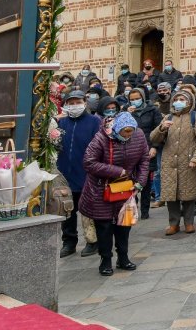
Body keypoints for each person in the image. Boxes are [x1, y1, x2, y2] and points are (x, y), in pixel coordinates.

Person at [78, 112, 149, 276]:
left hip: (127, 188)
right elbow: (89, 162)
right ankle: (105, 260)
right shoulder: (101, 137)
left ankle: (123, 258)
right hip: (101, 189)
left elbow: (144, 160)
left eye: (131, 131)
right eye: (125, 132)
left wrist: (140, 181)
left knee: (124, 224)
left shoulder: (138, 136)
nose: (129, 135)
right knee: (104, 227)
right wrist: (117, 171)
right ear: (117, 128)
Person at [150, 85, 196, 235]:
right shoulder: (168, 117)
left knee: (188, 194)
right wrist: (161, 128)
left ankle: (189, 223)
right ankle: (173, 224)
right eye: (176, 99)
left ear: (189, 101)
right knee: (171, 194)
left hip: (188, 161)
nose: (179, 102)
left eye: (182, 99)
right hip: (169, 161)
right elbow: (154, 138)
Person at [58, 90, 102, 258]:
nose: (74, 105)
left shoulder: (94, 121)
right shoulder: (62, 123)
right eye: (71, 103)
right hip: (66, 174)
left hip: (86, 174)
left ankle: (92, 241)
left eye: (78, 102)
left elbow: (99, 146)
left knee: (87, 211)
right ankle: (69, 242)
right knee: (67, 210)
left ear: (84, 103)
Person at [125, 87, 160, 220]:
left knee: (146, 181)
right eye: (132, 99)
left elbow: (158, 130)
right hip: (130, 150)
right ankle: (133, 207)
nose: (135, 101)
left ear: (143, 98)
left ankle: (145, 210)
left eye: (137, 98)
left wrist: (155, 146)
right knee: (131, 181)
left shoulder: (152, 110)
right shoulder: (126, 111)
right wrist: (126, 114)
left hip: (148, 149)